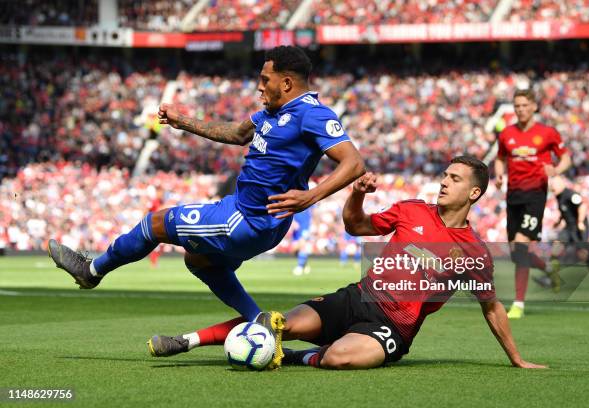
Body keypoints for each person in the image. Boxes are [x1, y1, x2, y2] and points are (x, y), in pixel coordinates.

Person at [48, 46, 365, 368]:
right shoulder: (270, 113)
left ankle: (91, 271)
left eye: (264, 79)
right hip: (247, 213)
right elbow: (238, 133)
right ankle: (262, 327)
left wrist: (311, 197)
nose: (258, 86)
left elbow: (353, 163)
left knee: (155, 224)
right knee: (199, 260)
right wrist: (183, 122)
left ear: (285, 83)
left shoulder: (312, 114)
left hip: (247, 220)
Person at [148, 156, 546, 370]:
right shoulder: (411, 210)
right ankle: (188, 341)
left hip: (391, 328)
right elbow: (356, 226)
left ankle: (290, 356)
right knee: (275, 322)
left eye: (455, 179)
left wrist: (516, 358)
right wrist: (356, 194)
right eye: (445, 175)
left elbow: (491, 306)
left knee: (340, 357)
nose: (444, 181)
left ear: (474, 193)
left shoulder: (474, 253)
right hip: (356, 298)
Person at [494, 88, 572, 319]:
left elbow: (566, 157)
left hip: (535, 195)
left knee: (520, 246)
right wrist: (499, 174)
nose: (521, 109)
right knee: (516, 253)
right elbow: (500, 158)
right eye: (517, 106)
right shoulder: (506, 133)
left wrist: (556, 170)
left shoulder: (548, 133)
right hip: (513, 196)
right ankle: (549, 269)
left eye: (525, 105)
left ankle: (518, 304)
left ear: (534, 106)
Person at [533, 177, 589, 290]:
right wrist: (558, 222)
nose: (551, 188)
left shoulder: (570, 194)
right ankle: (549, 278)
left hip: (579, 229)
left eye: (553, 185)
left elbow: (582, 206)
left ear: (560, 184)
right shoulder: (559, 196)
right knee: (555, 250)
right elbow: (565, 211)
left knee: (584, 255)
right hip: (568, 229)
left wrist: (581, 222)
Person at [291, 206, 313, 276]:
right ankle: (305, 265)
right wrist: (293, 222)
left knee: (302, 246)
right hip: (296, 230)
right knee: (294, 249)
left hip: (304, 228)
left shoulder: (309, 204)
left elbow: (312, 214)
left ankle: (300, 267)